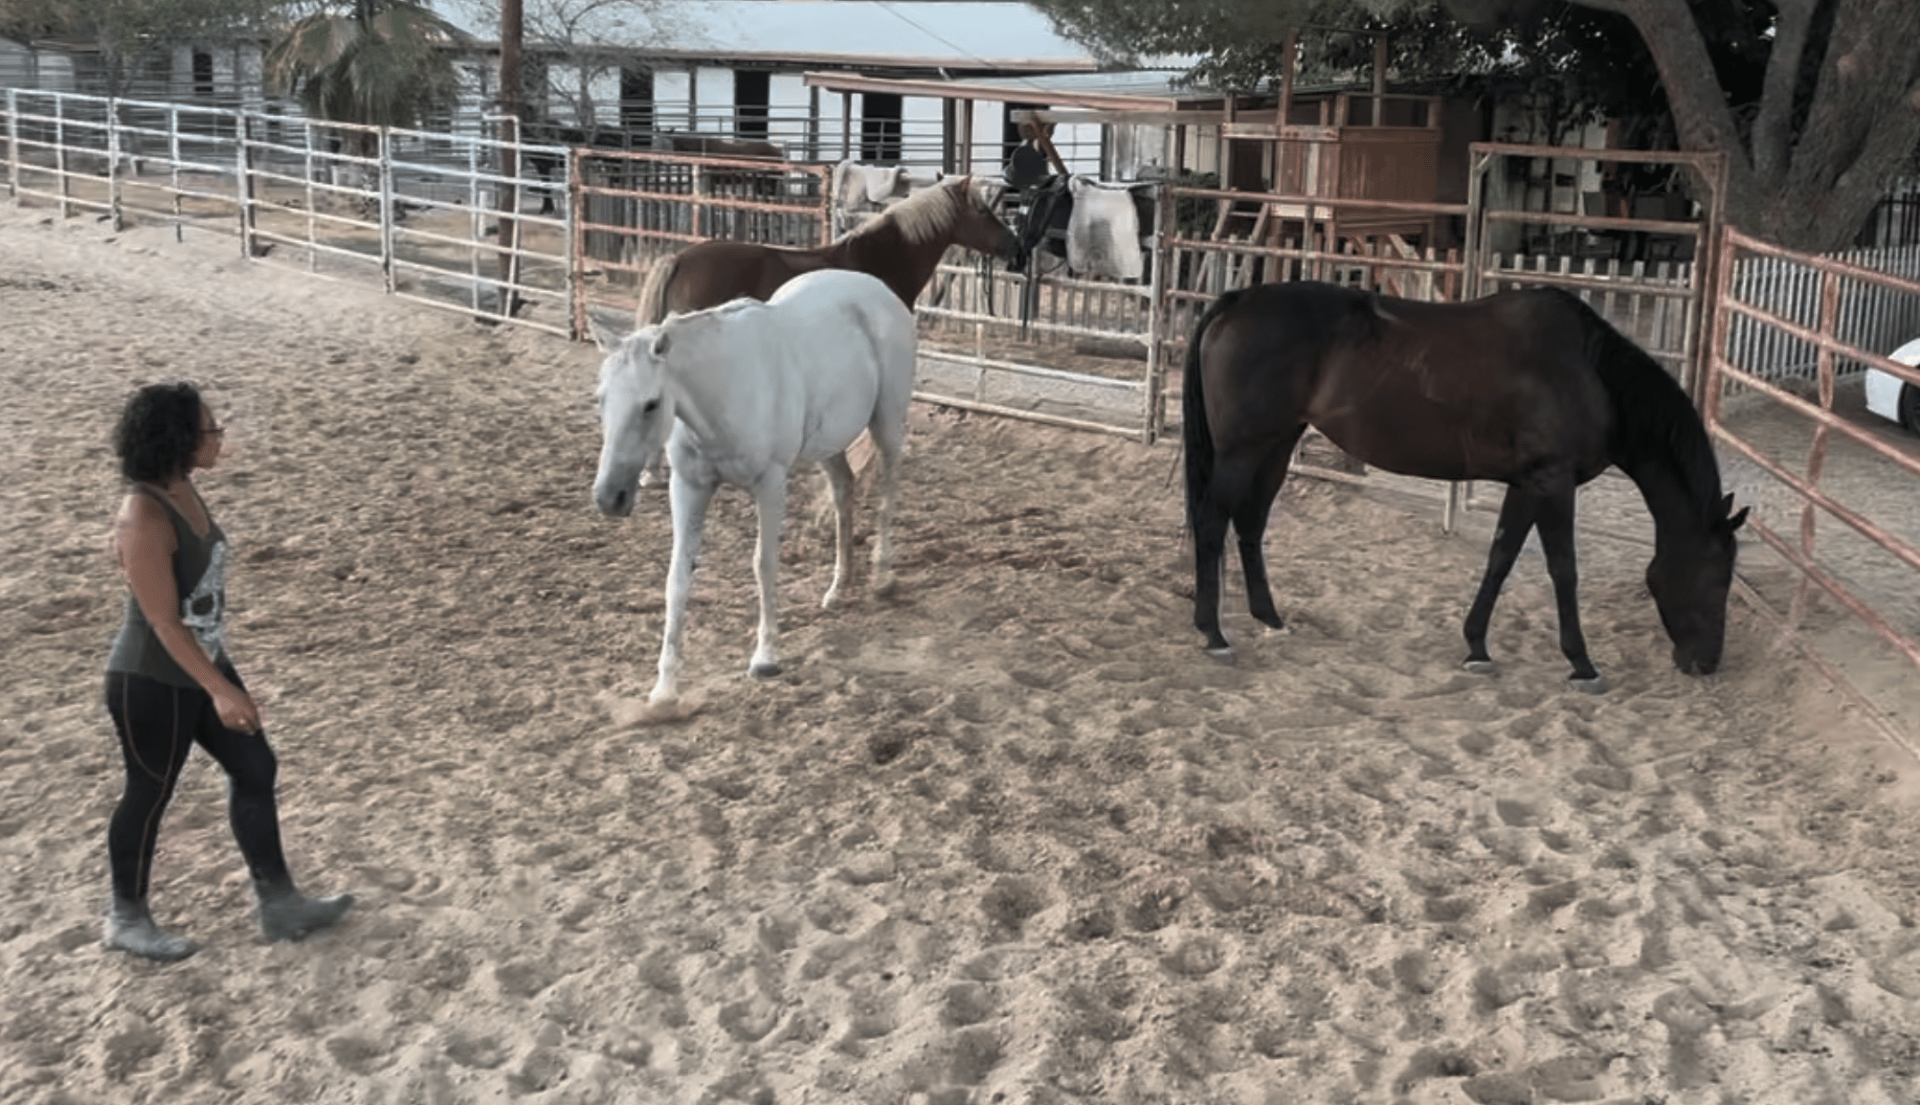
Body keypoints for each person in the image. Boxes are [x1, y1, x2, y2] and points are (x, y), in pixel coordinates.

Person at [102, 381, 354, 961]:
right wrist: (219, 689)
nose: (219, 439)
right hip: (151, 679)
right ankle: (126, 917)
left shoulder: (183, 487)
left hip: (201, 662)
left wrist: (217, 677)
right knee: (148, 792)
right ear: (177, 439)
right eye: (210, 431)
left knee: (255, 766)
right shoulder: (142, 513)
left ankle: (280, 903)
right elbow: (163, 622)